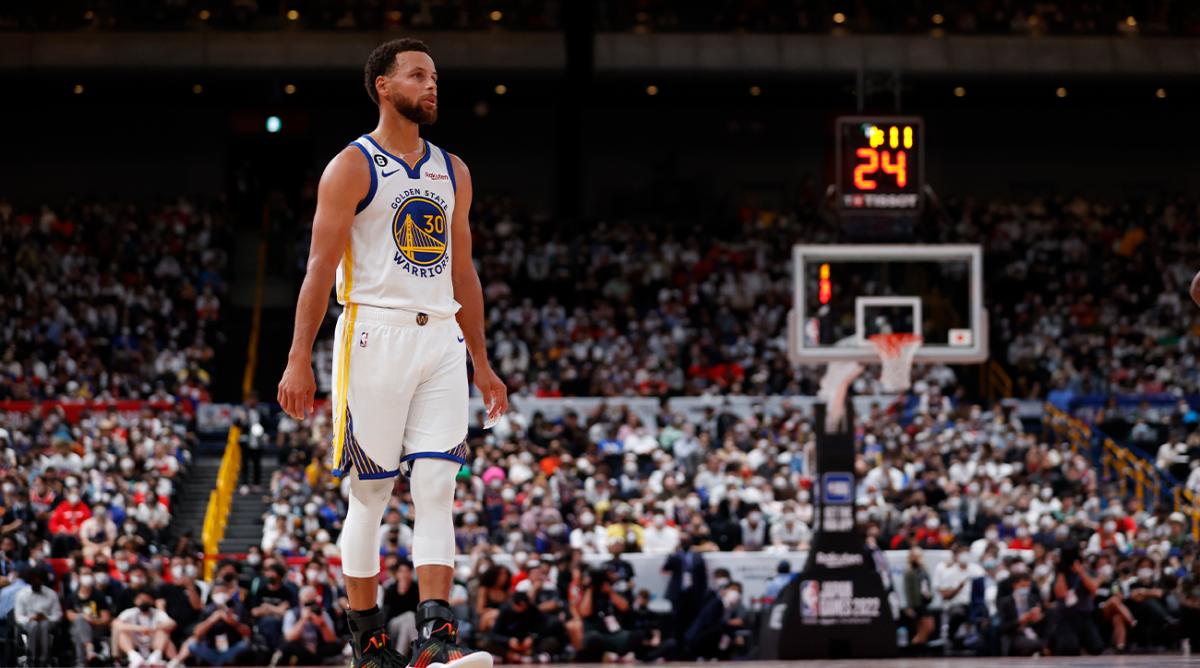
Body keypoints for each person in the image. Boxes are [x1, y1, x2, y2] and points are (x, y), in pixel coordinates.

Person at [276, 36, 507, 668]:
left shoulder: (452, 168)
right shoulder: (351, 166)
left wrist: (481, 362)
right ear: (384, 85)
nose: (432, 86)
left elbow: (464, 273)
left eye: (435, 76)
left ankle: (437, 637)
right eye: (418, 76)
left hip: (442, 336)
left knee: (437, 485)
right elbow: (319, 269)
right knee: (371, 496)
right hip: (372, 331)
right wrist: (300, 357)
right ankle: (369, 642)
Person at [279, 586, 341, 665]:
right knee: (287, 647)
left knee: (336, 647)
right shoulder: (292, 613)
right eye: (307, 603)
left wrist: (322, 625)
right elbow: (289, 637)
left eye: (312, 602)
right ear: (300, 601)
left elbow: (332, 640)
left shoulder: (323, 614)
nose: (310, 606)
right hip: (301, 649)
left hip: (318, 650)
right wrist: (303, 620)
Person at [14, 567, 63, 667]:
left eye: (39, 579)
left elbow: (58, 614)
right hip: (28, 624)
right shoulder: (22, 594)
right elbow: (18, 616)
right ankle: (32, 657)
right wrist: (30, 619)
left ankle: (44, 659)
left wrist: (47, 618)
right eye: (34, 579)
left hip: (47, 623)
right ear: (29, 580)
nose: (36, 581)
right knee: (34, 625)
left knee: (43, 624)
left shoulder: (51, 594)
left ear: (43, 580)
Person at [113, 590, 177, 667]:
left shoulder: (157, 612)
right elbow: (115, 623)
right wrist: (138, 628)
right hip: (135, 640)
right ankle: (134, 657)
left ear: (151, 601)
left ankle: (156, 657)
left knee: (163, 632)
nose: (143, 601)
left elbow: (172, 623)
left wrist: (153, 628)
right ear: (135, 601)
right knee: (121, 632)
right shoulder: (129, 612)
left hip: (153, 641)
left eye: (146, 599)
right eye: (140, 599)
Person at [65, 564, 113, 666]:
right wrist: (84, 617)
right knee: (79, 623)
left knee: (79, 630)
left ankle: (81, 662)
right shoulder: (72, 596)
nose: (88, 576)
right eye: (85, 574)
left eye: (90, 574)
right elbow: (69, 616)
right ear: (77, 577)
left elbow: (106, 619)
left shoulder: (99, 595)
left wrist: (92, 620)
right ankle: (89, 650)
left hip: (96, 628)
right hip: (78, 628)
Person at [997, 569, 1046, 656]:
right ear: (1015, 585)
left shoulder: (1033, 599)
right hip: (1014, 635)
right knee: (1037, 644)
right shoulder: (1006, 603)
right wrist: (1020, 620)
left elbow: (1041, 621)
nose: (1025, 589)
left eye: (1028, 587)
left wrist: (1038, 618)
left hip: (1031, 632)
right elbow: (1003, 627)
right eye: (1023, 586)